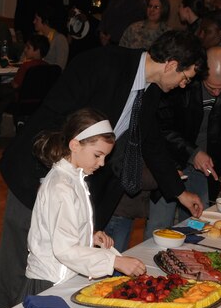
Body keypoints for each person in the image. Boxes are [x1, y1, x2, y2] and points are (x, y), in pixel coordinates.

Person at [0, 30, 206, 308]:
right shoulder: (105, 63)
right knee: (20, 266)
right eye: (185, 77)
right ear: (171, 64)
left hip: (77, 179)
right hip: (37, 174)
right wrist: (53, 183)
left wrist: (179, 192)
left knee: (61, 268)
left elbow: (151, 142)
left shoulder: (150, 91)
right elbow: (53, 117)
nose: (182, 85)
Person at [24, 110, 146, 295]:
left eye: (105, 156)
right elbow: (64, 250)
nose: (102, 163)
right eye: (98, 155)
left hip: (62, 277)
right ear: (75, 145)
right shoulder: (61, 186)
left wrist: (88, 235)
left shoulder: (74, 178)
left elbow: (62, 228)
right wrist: (114, 261)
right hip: (50, 282)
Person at [146, 45, 221, 237]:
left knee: (198, 224)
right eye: (211, 87)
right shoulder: (183, 78)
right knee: (160, 224)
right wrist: (192, 152)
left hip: (207, 166)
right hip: (170, 160)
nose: (217, 94)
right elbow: (160, 127)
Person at [0, 33, 50, 136]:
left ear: (37, 51)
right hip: (38, 102)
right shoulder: (48, 67)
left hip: (20, 101)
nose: (25, 50)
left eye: (28, 47)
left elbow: (15, 85)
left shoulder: (27, 66)